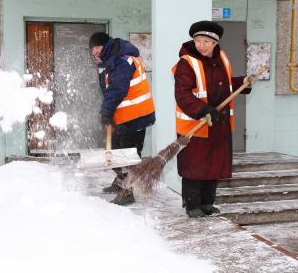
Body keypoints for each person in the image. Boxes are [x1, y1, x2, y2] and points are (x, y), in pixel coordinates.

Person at [173, 21, 252, 218]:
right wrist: (202, 110)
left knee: (214, 165)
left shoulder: (222, 58)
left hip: (219, 123)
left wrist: (242, 82)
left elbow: (224, 85)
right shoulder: (187, 62)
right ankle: (192, 205)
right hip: (196, 125)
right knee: (195, 166)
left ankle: (208, 203)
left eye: (206, 41)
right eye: (198, 40)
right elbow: (182, 94)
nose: (201, 45)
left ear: (215, 43)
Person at [89, 32, 156, 206]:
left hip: (135, 116)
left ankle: (128, 191)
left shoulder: (122, 60)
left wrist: (106, 112)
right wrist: (109, 113)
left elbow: (117, 89)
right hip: (124, 116)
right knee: (114, 150)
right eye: (92, 51)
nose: (94, 53)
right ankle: (121, 181)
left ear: (105, 46)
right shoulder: (111, 62)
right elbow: (109, 91)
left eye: (96, 49)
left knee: (128, 155)